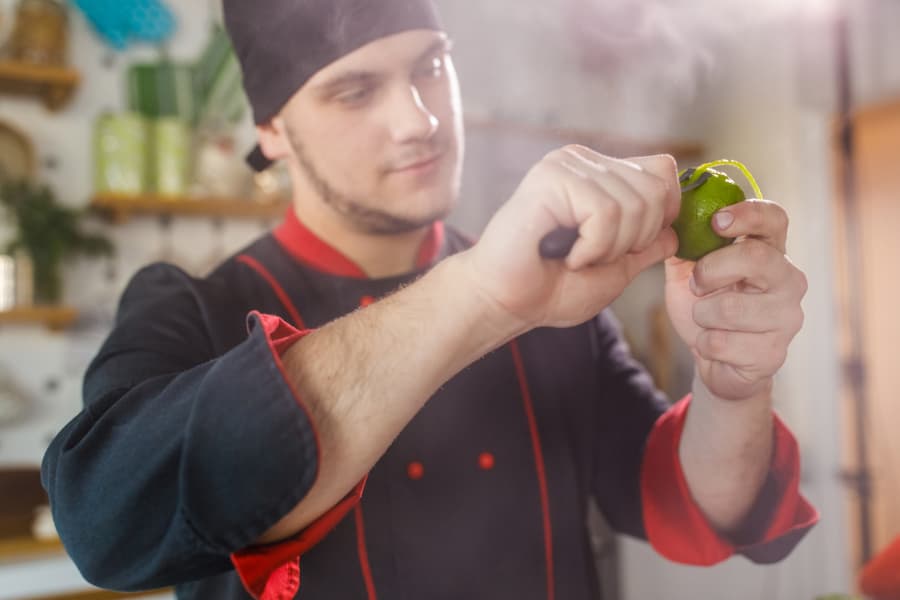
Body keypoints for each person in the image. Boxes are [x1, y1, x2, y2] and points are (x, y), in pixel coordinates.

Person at [41, 1, 818, 599]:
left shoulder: (561, 292)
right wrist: (482, 297)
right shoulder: (189, 307)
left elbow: (675, 498)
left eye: (430, 66)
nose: (417, 120)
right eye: (353, 91)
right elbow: (108, 519)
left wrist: (730, 382)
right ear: (272, 129)